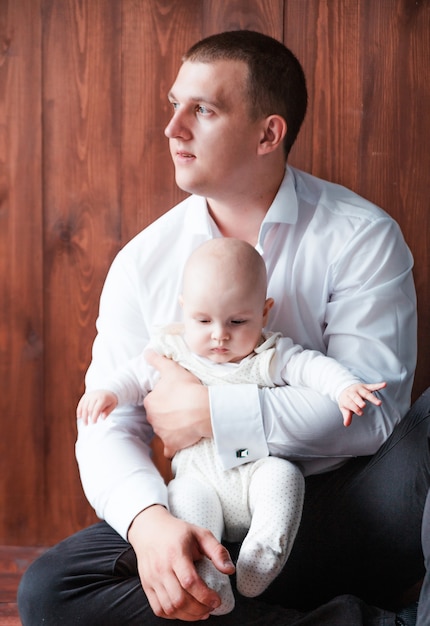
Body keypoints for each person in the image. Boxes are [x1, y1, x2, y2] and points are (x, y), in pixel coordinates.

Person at [17, 30, 427, 626]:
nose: (173, 127)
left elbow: (374, 414)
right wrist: (149, 524)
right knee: (53, 591)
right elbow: (108, 423)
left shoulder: (361, 235)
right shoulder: (144, 261)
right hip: (213, 522)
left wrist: (213, 412)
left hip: (350, 518)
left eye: (202, 110)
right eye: (173, 105)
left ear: (269, 133)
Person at [77, 237, 386, 615]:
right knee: (184, 501)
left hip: (256, 470)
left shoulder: (267, 352)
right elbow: (133, 375)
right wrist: (109, 392)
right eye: (203, 320)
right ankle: (212, 576)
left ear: (264, 313)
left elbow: (310, 366)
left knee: (284, 475)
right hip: (200, 479)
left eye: (238, 321)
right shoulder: (174, 349)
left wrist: (343, 387)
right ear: (184, 311)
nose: (219, 335)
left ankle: (264, 551)